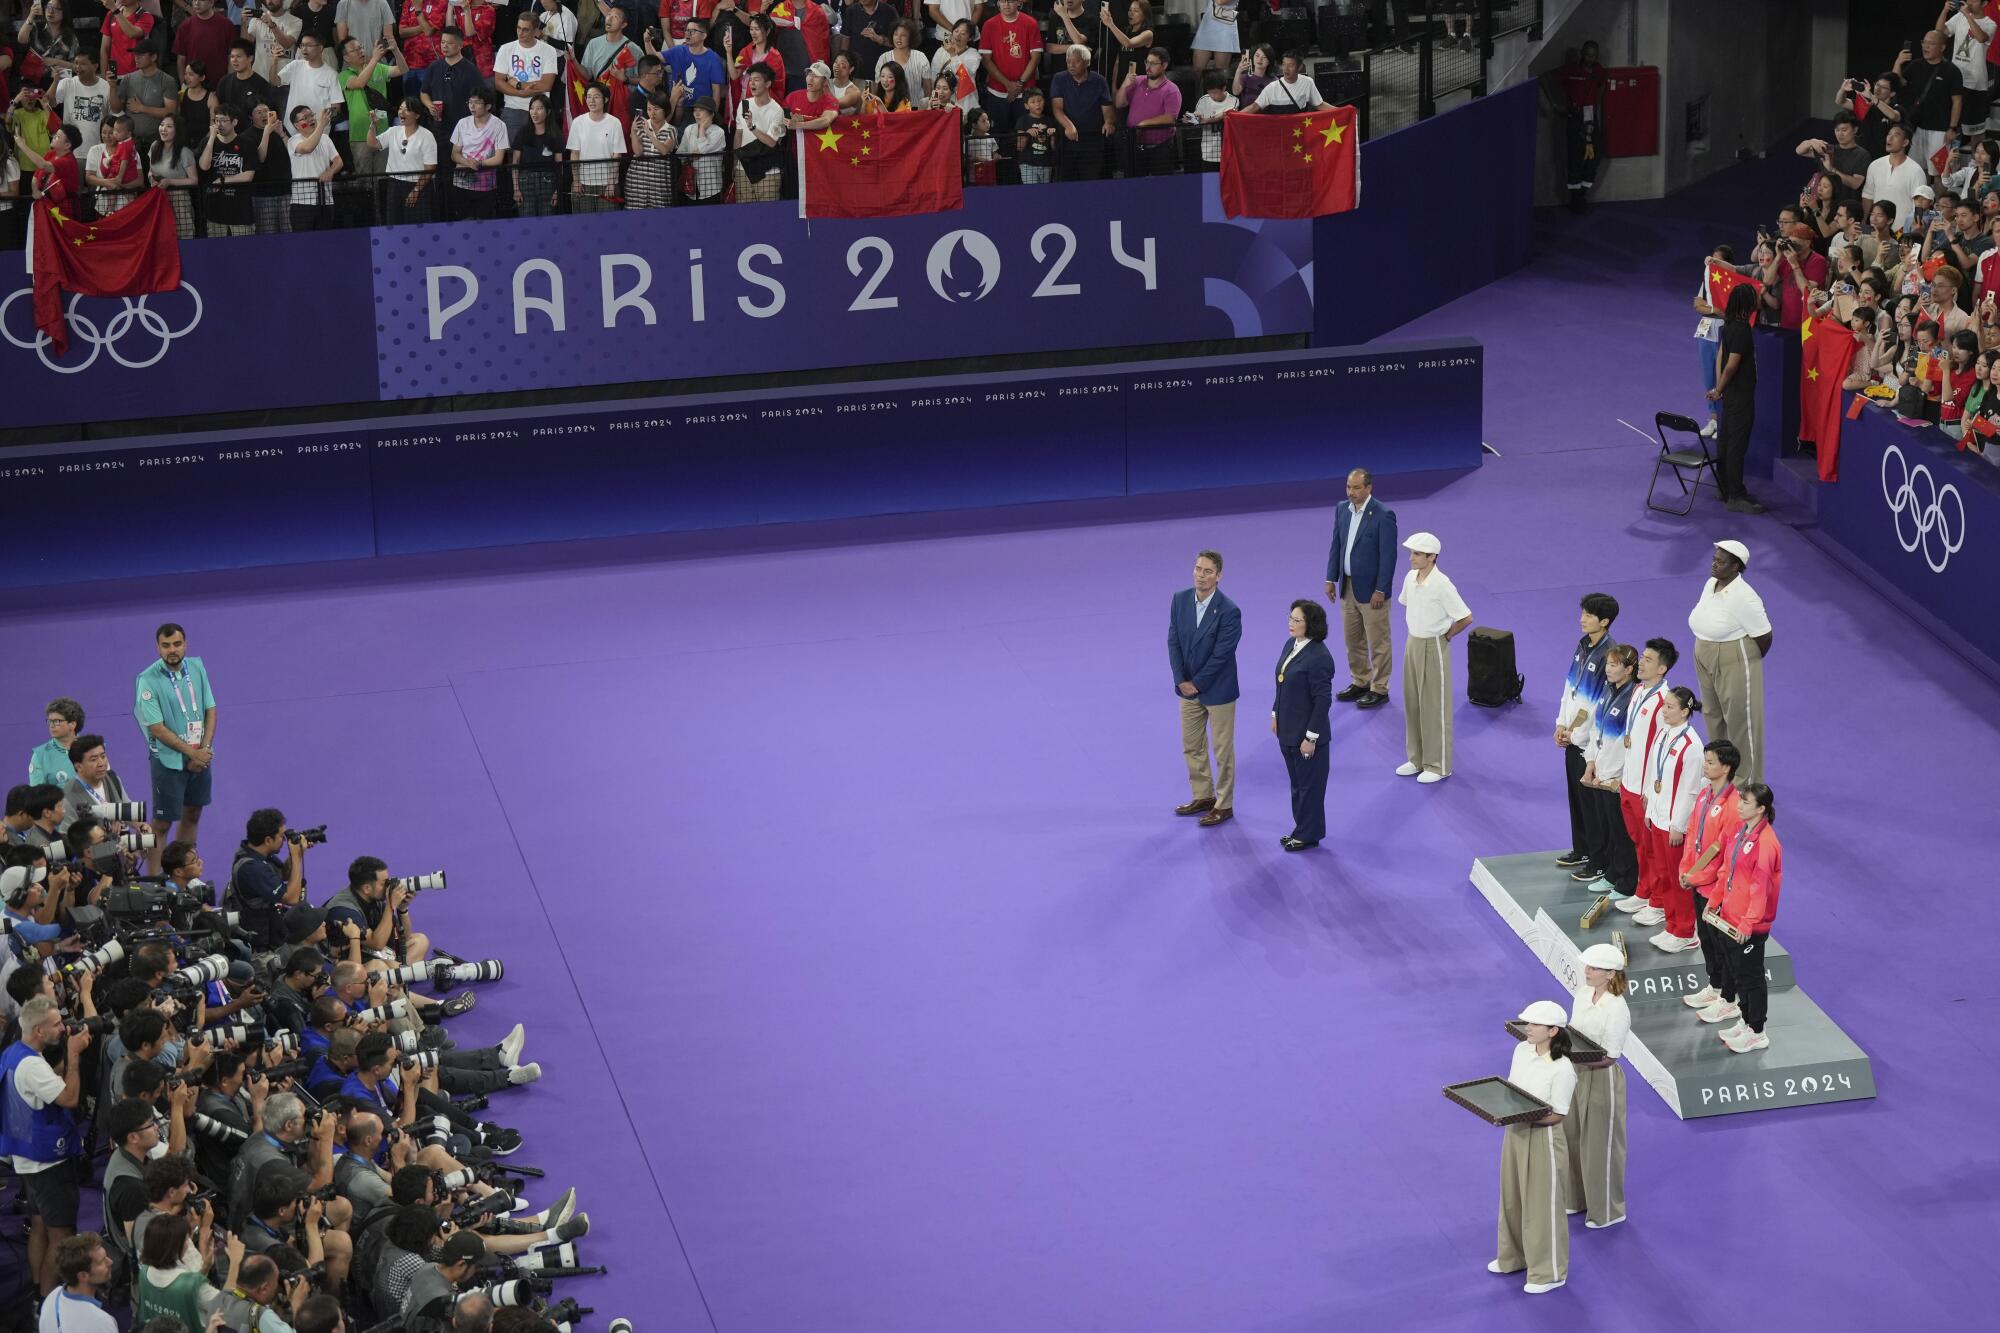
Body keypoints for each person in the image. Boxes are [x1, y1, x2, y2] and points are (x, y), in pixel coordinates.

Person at [5, 997, 90, 1296]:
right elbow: (69, 1099)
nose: (63, 1028)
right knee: (62, 1237)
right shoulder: (32, 1065)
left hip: (27, 1159)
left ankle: (40, 1290)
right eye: (56, 1024)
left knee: (40, 1227)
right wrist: (74, 1057)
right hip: (49, 1164)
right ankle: (49, 1301)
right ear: (39, 1030)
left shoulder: (14, 1052)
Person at [1488, 1000, 1573, 1295]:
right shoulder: (1521, 1050)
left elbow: (1559, 1113)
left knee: (1542, 1205)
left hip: (1544, 1136)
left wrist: (1526, 1117)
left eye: (1535, 1024)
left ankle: (1549, 1272)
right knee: (1511, 1196)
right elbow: (1512, 1090)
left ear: (1552, 1031)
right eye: (1528, 1022)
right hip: (1516, 1131)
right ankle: (1513, 1258)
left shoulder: (1563, 1069)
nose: (1528, 1028)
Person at [1705, 782, 1783, 1053]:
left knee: (1751, 978)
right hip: (1728, 916)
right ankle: (1745, 1020)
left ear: (1761, 809)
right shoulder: (1740, 831)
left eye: (1746, 803)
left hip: (1748, 925)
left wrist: (1748, 923)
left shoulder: (1766, 844)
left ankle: (1758, 1031)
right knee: (1736, 972)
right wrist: (1714, 900)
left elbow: (1760, 888)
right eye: (1740, 801)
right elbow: (1726, 870)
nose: (1738, 806)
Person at [1686, 539, 1771, 786]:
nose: (1714, 564)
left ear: (1736, 567)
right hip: (1704, 652)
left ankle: (1747, 784)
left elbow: (1764, 636)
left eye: (1721, 561)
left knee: (1740, 722)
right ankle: (1721, 773)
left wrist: (1743, 664)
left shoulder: (1745, 597)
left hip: (1733, 657)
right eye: (1714, 558)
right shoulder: (1711, 583)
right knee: (1713, 714)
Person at [134, 622, 215, 874]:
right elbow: (157, 728)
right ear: (158, 647)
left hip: (200, 756)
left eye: (177, 644)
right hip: (169, 762)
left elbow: (210, 710)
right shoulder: (147, 680)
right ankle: (157, 881)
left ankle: (185, 871)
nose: (172, 650)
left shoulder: (197, 667)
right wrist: (192, 754)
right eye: (166, 645)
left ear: (185, 644)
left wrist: (205, 749)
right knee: (162, 823)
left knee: (192, 813)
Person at [1168, 550, 1241, 827]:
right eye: (1198, 569)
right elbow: (1173, 640)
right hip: (1186, 690)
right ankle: (1203, 796)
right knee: (1192, 746)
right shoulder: (1179, 600)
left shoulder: (1229, 611)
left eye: (1208, 571)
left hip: (1218, 692)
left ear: (1219, 576)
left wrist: (1195, 684)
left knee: (1222, 750)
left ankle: (1224, 804)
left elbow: (1222, 655)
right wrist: (1180, 679)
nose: (1201, 575)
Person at [1394, 532, 1472, 783]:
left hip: (1433, 645)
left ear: (1432, 557)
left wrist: (1445, 636)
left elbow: (1465, 617)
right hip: (1411, 642)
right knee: (1413, 702)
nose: (1411, 558)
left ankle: (1438, 765)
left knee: (1434, 706)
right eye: (1412, 553)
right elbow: (1407, 604)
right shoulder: (1410, 577)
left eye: (1417, 554)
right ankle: (1416, 759)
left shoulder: (1443, 584)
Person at [1633, 686, 1705, 953]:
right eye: (1664, 706)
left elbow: (1691, 790)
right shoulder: (1664, 733)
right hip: (1658, 815)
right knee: (1663, 874)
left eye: (1670, 707)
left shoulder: (1692, 746)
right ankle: (1672, 925)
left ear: (1685, 711)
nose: (1664, 710)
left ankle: (1686, 932)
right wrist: (1650, 805)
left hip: (1674, 823)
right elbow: (1656, 771)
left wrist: (1678, 825)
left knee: (1677, 879)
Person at [1608, 638, 1677, 913]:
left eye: (1648, 660)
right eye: (1643, 657)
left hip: (1646, 789)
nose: (1641, 663)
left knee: (1651, 848)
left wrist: (1652, 789)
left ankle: (1658, 901)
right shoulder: (1637, 691)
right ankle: (1644, 890)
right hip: (1629, 782)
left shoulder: (1664, 702)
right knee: (1638, 843)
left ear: (1662, 669)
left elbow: (1662, 749)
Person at [1565, 943, 1629, 1231]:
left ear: (1610, 974)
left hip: (1600, 1078)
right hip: (1574, 1073)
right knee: (1573, 1137)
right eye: (1587, 966)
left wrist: (1574, 1057)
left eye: (1594, 968)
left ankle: (1608, 1210)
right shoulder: (1581, 995)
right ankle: (1577, 1199)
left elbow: (1610, 1056)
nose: (1587, 971)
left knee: (1600, 1145)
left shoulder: (1617, 1009)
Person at [1552, 592, 1618, 873]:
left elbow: (1598, 704)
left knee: (1592, 805)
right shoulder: (1582, 646)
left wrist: (1575, 733)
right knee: (1576, 799)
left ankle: (1599, 860)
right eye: (1583, 613)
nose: (1582, 619)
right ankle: (1581, 849)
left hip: (1588, 743)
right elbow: (1571, 688)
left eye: (1589, 615)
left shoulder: (1609, 654)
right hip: (1571, 736)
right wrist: (1560, 723)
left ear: (1605, 621)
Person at [1675, 739, 1741, 1016]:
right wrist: (1684, 870)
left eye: (1710, 762)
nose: (1705, 765)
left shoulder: (1734, 806)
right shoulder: (1704, 795)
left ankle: (1729, 999)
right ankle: (1714, 986)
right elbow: (1692, 834)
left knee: (1722, 945)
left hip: (1717, 890)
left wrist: (1698, 877)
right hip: (1696, 883)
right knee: (1706, 938)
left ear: (1726, 767)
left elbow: (1726, 855)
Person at [1322, 468, 1398, 709]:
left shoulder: (1384, 515)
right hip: (1347, 586)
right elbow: (1337, 544)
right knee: (1352, 640)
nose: (1351, 492)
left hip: (1372, 591)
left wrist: (1381, 589)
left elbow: (1388, 557)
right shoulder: (1341, 509)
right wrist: (1330, 578)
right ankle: (1361, 680)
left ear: (1369, 488)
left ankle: (1380, 688)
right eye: (1348, 487)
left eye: (1356, 488)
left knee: (1378, 642)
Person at [1576, 643, 1639, 901]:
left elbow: (1629, 743)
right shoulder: (1606, 690)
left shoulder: (1633, 699)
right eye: (1608, 664)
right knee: (1609, 827)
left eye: (1614, 665)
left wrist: (1617, 775)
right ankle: (1612, 873)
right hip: (1600, 771)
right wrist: (1590, 762)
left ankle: (1627, 882)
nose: (1609, 669)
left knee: (1622, 831)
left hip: (1616, 777)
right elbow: (1596, 730)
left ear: (1629, 669)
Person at [1271, 599, 1334, 852]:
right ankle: (1302, 829)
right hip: (1287, 730)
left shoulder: (1319, 657)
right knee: (1297, 786)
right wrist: (1275, 712)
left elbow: (1322, 701)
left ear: (1311, 625)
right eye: (1290, 618)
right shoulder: (1292, 644)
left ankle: (1308, 834)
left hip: (1307, 737)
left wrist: (1311, 738)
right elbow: (1281, 682)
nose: (1291, 623)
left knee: (1310, 788)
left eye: (1297, 620)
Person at [1706, 283, 1763, 513]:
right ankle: (1736, 496)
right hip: (1740, 394)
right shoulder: (1742, 329)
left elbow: (1720, 358)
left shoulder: (1729, 325)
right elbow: (1731, 365)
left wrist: (1719, 389)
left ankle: (1724, 487)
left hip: (1729, 393)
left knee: (1725, 441)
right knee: (1736, 445)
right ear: (1747, 304)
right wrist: (1720, 387)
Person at [38, 1233, 117, 1332]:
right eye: (102, 1261)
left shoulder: (52, 1297)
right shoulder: (101, 1322)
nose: (110, 1262)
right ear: (83, 1276)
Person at [29, 698, 84, 790]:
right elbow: (36, 796)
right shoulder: (40, 754)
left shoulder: (91, 749)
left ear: (72, 724)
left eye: (57, 721)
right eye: (50, 721)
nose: (51, 725)